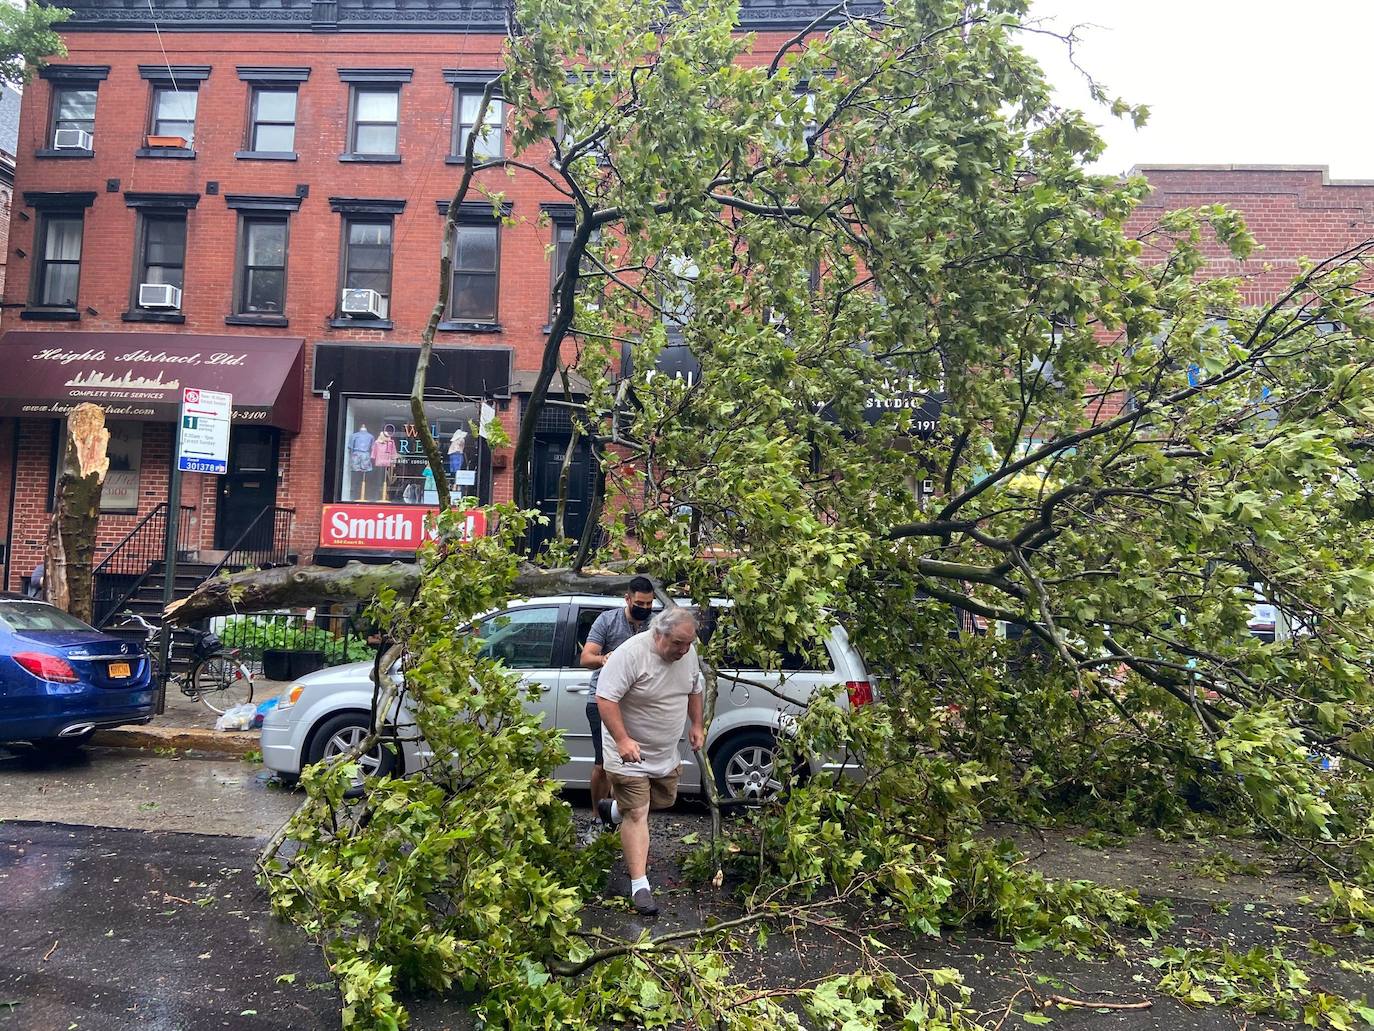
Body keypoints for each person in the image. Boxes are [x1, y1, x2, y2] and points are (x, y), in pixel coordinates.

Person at [596, 606, 704, 916]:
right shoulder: (630, 655)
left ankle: (613, 810)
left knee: (664, 799)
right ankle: (639, 885)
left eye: (689, 643)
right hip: (626, 753)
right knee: (638, 813)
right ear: (659, 634)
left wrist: (697, 725)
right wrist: (622, 740)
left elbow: (694, 689)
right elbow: (605, 698)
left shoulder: (689, 653)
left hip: (664, 753)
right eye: (678, 643)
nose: (684, 650)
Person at [580, 577, 656, 818]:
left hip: (639, 702)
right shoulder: (607, 620)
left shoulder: (655, 625)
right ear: (627, 599)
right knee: (603, 764)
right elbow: (586, 658)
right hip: (602, 700)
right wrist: (605, 659)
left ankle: (620, 816)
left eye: (649, 604)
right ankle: (597, 818)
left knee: (634, 765)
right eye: (640, 603)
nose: (644, 608)